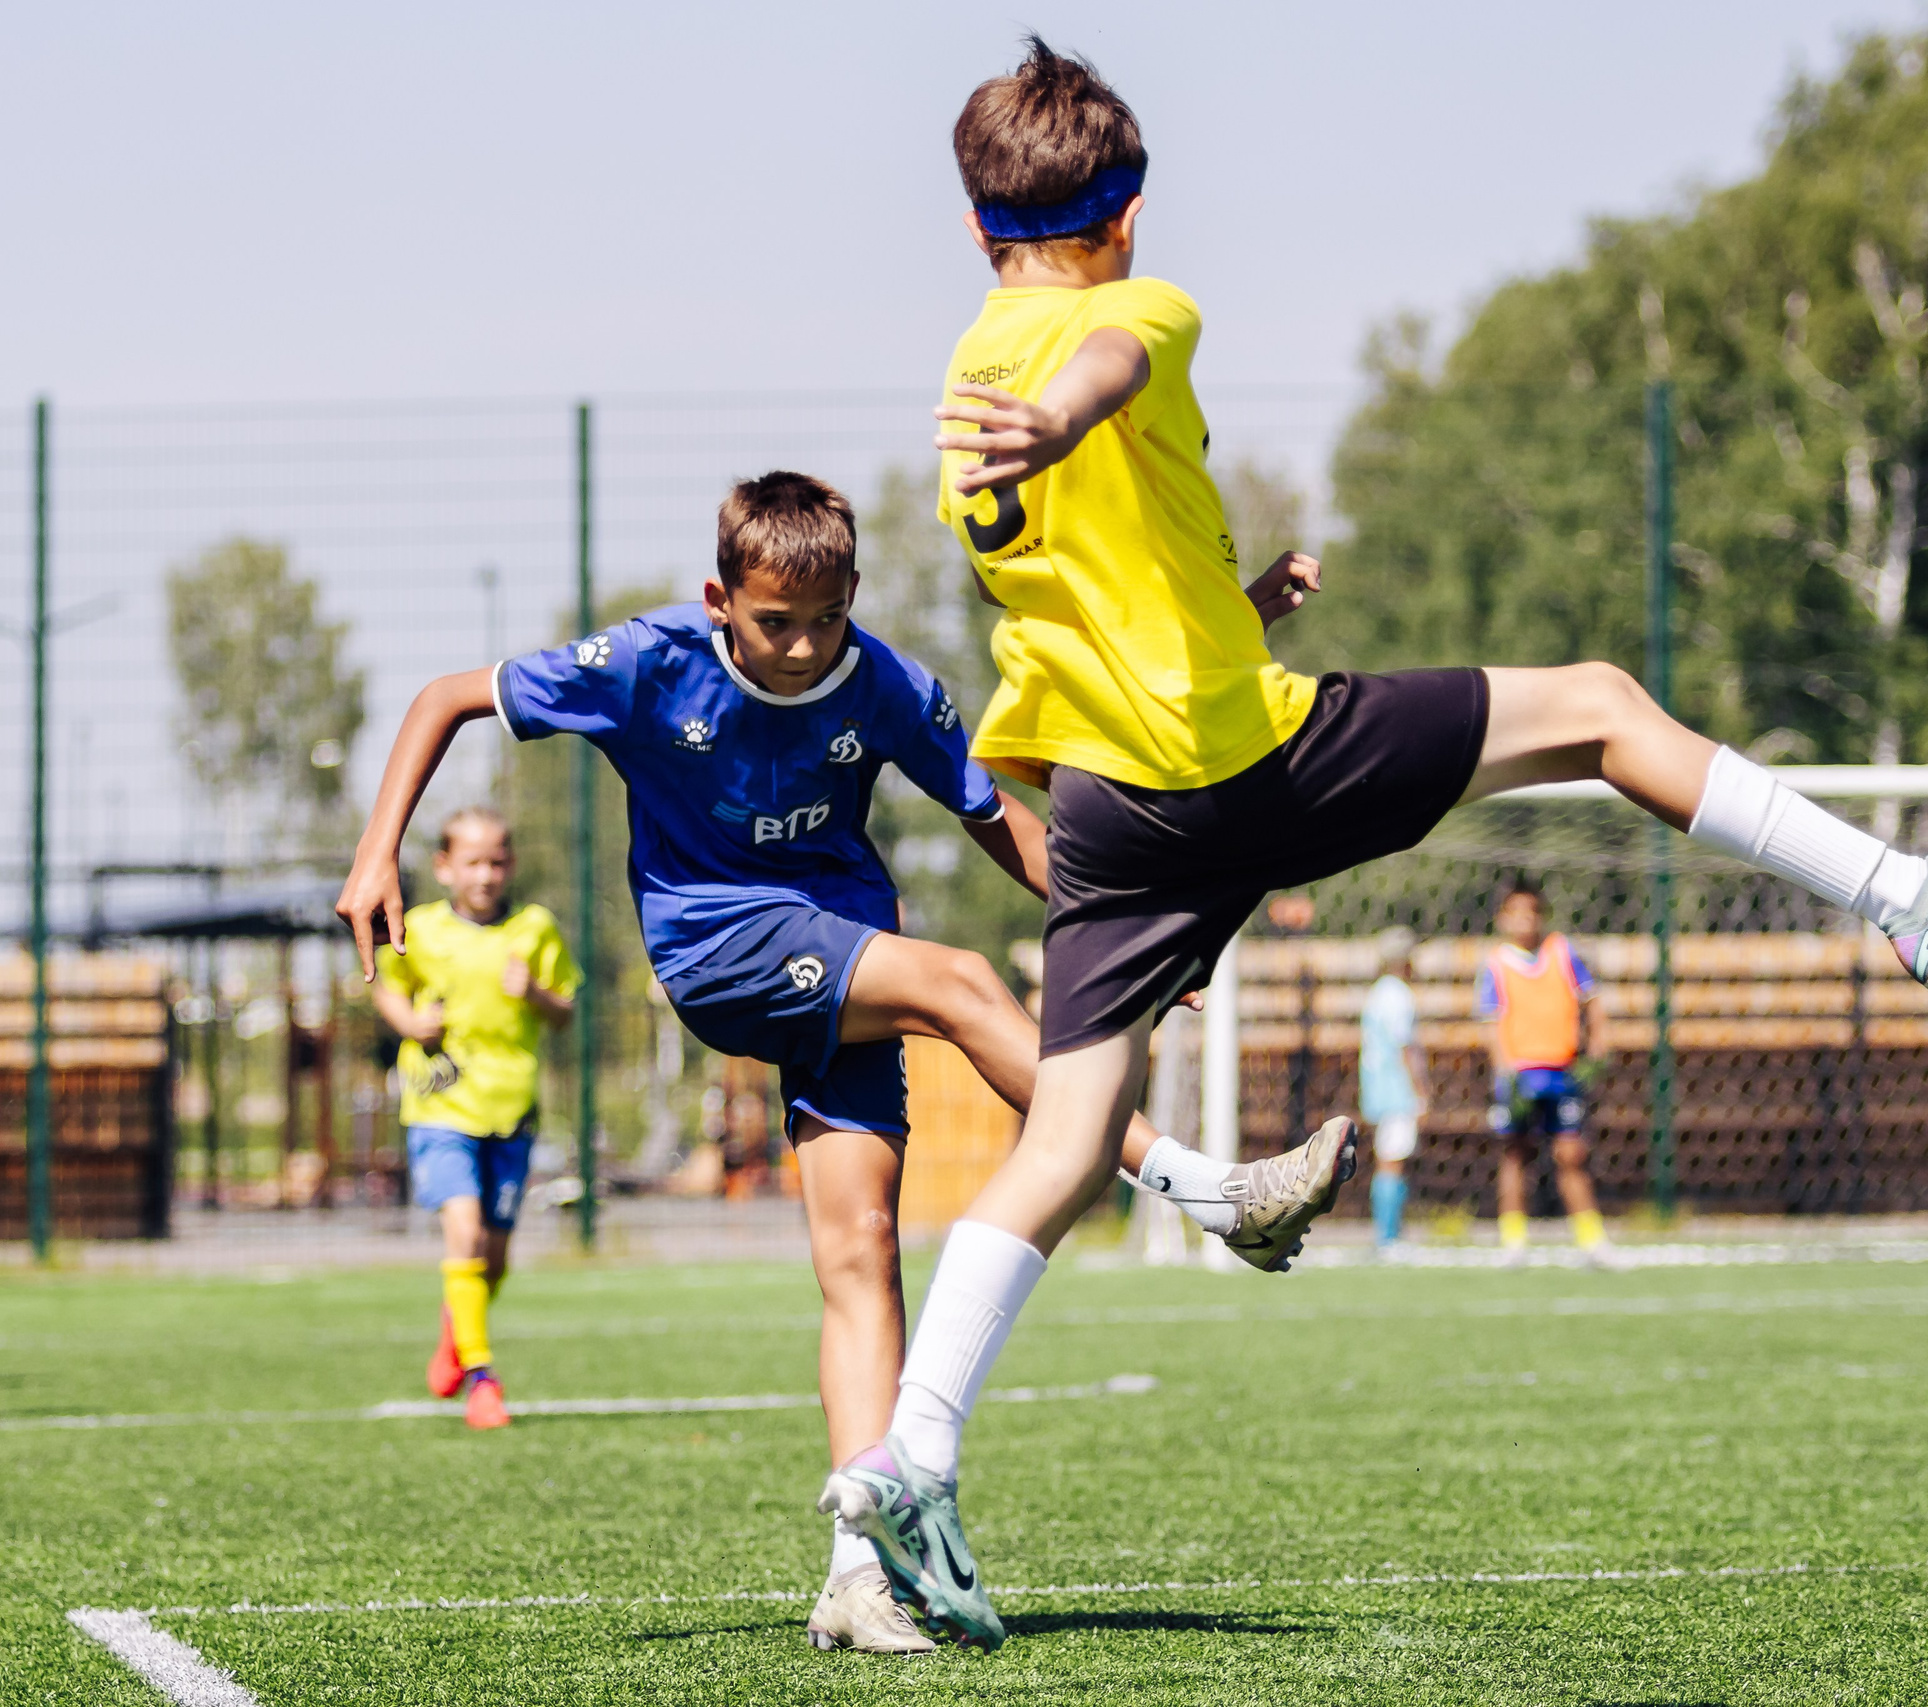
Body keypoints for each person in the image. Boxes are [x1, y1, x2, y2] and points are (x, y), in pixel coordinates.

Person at [822, 39, 1928, 1650]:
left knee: (1066, 1142)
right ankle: (1912, 899)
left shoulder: (965, 368)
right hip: (1238, 759)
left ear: (970, 224)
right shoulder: (1132, 312)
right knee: (1604, 706)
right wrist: (1072, 416)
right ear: (1129, 210)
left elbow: (1100, 565)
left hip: (1107, 806)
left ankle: (912, 1455)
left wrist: (1231, 592)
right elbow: (1110, 377)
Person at [334, 471, 1348, 1658]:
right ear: (721, 599)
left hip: (838, 950)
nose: (803, 646)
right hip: (717, 946)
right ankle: (1209, 1191)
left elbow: (1000, 821)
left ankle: (855, 1576)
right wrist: (376, 855)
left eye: (826, 619)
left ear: (853, 594)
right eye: (775, 623)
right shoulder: (645, 662)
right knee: (965, 982)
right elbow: (446, 696)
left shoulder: (887, 685)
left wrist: (1116, 931)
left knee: (864, 1249)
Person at [368, 806, 578, 1432]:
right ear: (444, 867)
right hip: (439, 1105)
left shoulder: (535, 928)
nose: (486, 875)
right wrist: (407, 1022)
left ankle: (455, 1334)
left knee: (494, 1256)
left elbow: (565, 1008)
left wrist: (536, 994)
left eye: (497, 861)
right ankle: (483, 1377)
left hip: (511, 1107)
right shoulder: (422, 929)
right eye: (472, 862)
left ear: (511, 865)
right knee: (462, 1231)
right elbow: (385, 981)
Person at [1476, 880, 1610, 1261]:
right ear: (1502, 919)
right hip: (1520, 1073)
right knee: (1517, 1154)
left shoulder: (1561, 951)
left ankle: (1591, 1239)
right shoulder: (1497, 963)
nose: (1524, 920)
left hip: (1561, 1070)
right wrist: (1504, 1070)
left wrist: (1598, 1045)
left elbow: (1593, 998)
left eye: (1531, 912)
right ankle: (1514, 1240)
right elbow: (1491, 1022)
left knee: (1571, 1154)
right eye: (1514, 912)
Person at [1359, 926, 1427, 1253]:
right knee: (1392, 1158)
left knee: (1388, 1155)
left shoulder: (1378, 992)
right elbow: (1405, 1046)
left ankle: (1389, 1233)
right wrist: (1420, 1089)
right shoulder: (1399, 994)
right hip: (1396, 1088)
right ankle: (1388, 1237)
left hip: (1378, 1087)